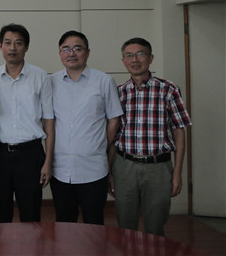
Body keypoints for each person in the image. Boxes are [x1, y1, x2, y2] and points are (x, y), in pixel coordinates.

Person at [110, 37, 192, 236]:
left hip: (158, 167)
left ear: (150, 58)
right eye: (129, 55)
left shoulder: (168, 90)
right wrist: (110, 172)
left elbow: (179, 132)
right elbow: (112, 136)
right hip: (124, 166)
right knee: (125, 224)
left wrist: (177, 172)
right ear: (123, 60)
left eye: (140, 54)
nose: (135, 60)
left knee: (155, 225)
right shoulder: (118, 93)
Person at [49, 30, 123, 225]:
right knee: (64, 223)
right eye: (66, 49)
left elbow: (114, 119)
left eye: (77, 48)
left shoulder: (104, 81)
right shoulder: (51, 82)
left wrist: (100, 143)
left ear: (87, 52)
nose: (71, 53)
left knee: (94, 223)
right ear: (60, 53)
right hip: (60, 169)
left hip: (93, 168)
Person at [0, 23, 54, 223]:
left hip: (30, 154)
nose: (12, 48)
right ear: (0, 46)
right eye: (8, 43)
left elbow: (49, 121)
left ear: (26, 47)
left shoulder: (40, 76)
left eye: (18, 43)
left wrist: (48, 162)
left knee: (31, 215)